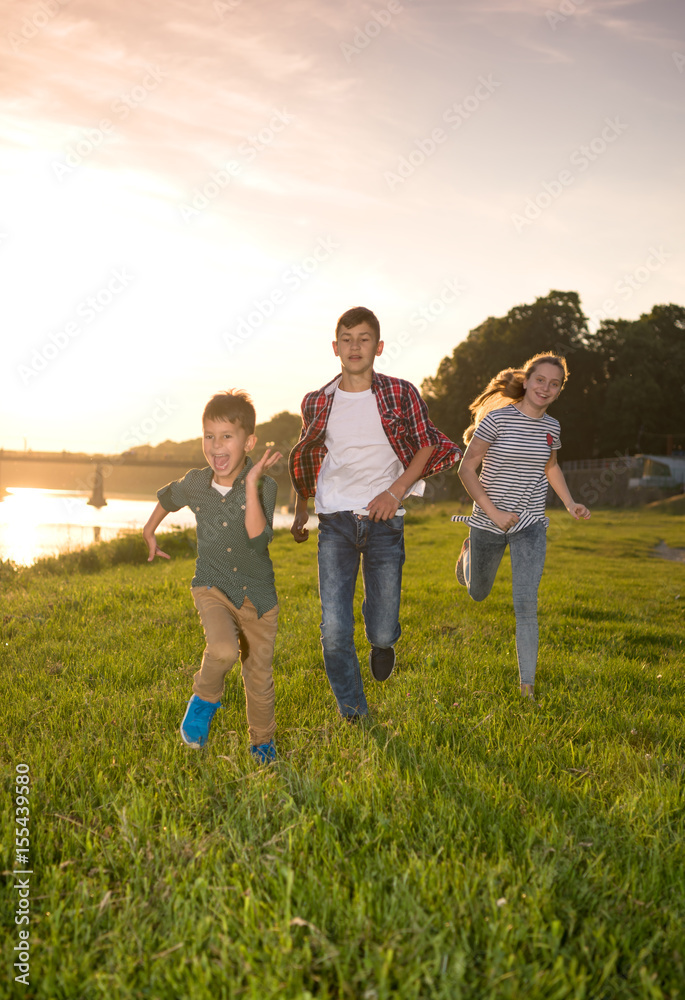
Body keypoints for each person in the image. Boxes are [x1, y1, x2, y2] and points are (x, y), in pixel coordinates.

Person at [288, 306, 462, 720]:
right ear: (335, 347)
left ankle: (382, 643)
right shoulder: (317, 401)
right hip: (335, 522)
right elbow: (310, 456)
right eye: (346, 339)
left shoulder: (400, 393)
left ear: (378, 346)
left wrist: (395, 493)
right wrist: (300, 509)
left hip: (385, 521)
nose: (354, 346)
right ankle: (354, 711)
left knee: (382, 626)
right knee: (334, 630)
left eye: (364, 338)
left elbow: (427, 445)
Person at [143, 390, 282, 762]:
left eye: (226, 436)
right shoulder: (196, 481)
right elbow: (168, 497)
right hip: (212, 586)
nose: (216, 446)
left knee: (259, 677)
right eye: (209, 435)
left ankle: (262, 743)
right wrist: (149, 530)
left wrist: (251, 484)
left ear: (248, 441)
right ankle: (204, 699)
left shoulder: (266, 487)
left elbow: (256, 540)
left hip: (260, 597)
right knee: (221, 650)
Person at [454, 353, 590, 700]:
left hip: (530, 523)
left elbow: (551, 468)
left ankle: (526, 687)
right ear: (527, 382)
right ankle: (468, 553)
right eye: (540, 380)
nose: (546, 388)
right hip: (488, 519)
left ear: (559, 391)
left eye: (554, 383)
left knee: (526, 604)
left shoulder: (552, 428)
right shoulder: (496, 421)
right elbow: (467, 469)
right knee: (478, 592)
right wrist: (495, 513)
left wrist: (570, 502)